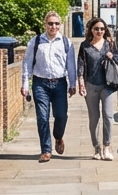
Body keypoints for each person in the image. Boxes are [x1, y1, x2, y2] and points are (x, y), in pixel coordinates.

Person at [20, 11, 78, 163]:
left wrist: (73, 84)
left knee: (61, 115)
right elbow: (27, 63)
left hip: (59, 83)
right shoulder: (36, 41)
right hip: (40, 83)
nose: (53, 26)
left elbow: (71, 65)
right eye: (50, 23)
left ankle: (58, 136)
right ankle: (46, 150)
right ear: (45, 24)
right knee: (42, 118)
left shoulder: (66, 42)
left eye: (56, 24)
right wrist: (25, 84)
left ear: (60, 25)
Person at [76, 18, 118, 160]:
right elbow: (80, 66)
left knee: (108, 116)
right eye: (96, 29)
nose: (99, 31)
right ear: (91, 30)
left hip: (108, 85)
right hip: (90, 85)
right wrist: (81, 84)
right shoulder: (85, 46)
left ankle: (107, 147)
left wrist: (113, 57)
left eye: (102, 29)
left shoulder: (110, 44)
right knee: (94, 119)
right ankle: (96, 148)